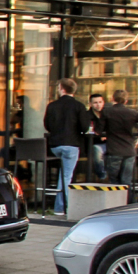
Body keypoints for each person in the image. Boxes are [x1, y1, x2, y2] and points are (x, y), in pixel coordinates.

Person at [42, 78, 90, 216]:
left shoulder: (52, 105)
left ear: (62, 89)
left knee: (63, 175)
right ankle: (60, 208)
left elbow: (47, 125)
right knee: (66, 176)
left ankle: (60, 205)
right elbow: (84, 127)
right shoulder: (79, 106)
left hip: (54, 146)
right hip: (71, 144)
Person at [102, 89, 138, 185]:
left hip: (114, 150)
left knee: (114, 181)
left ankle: (116, 200)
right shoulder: (132, 113)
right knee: (126, 181)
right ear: (126, 101)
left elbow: (99, 129)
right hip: (129, 150)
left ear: (112, 98)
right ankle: (128, 200)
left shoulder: (107, 112)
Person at [88, 93, 107, 181]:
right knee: (97, 150)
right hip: (93, 143)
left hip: (110, 142)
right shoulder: (86, 116)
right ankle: (102, 176)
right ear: (90, 104)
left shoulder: (107, 114)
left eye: (100, 102)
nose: (98, 104)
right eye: (95, 102)